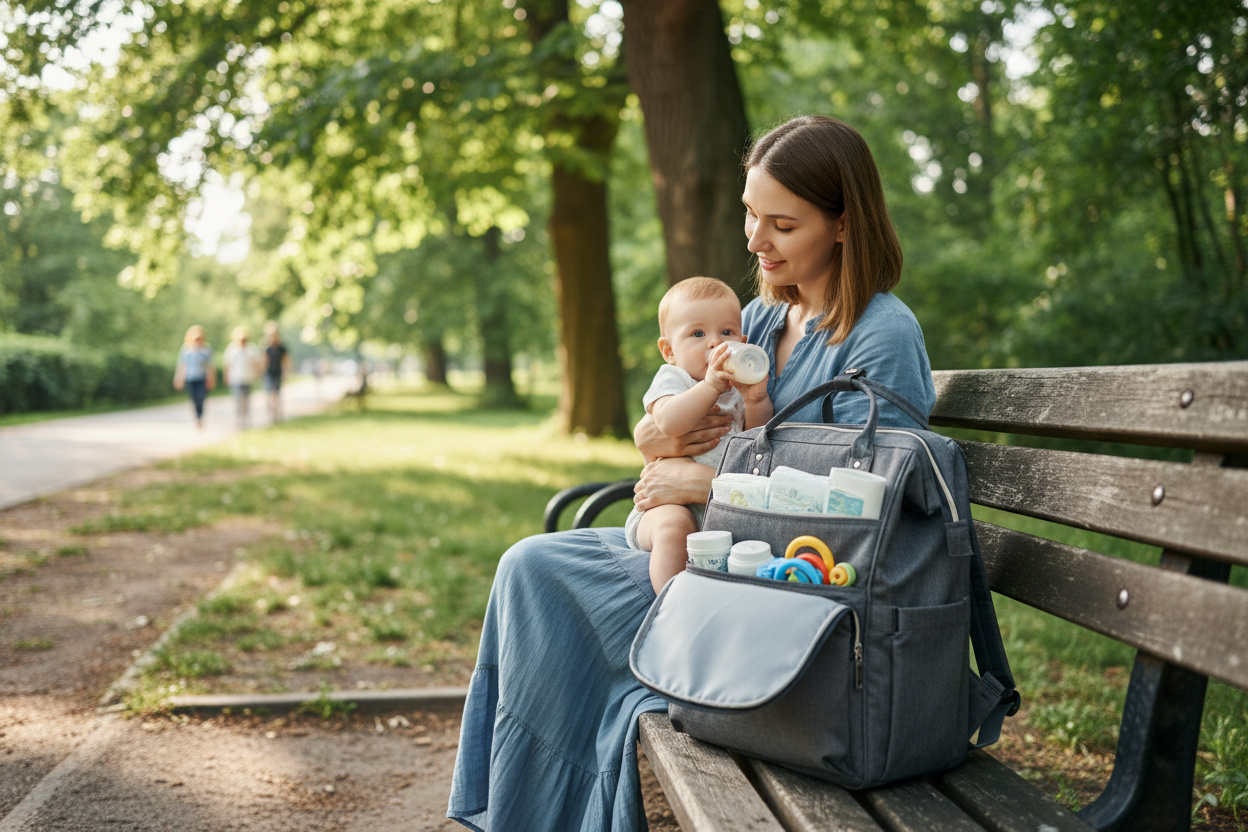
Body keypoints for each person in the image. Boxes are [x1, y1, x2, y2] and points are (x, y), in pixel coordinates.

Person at [447, 115, 937, 831]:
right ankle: (523, 814)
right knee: (528, 567)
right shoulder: (766, 321)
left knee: (550, 598)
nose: (754, 240)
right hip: (714, 548)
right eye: (749, 214)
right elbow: (673, 418)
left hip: (794, 585)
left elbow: (880, 507)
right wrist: (658, 437)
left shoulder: (882, 336)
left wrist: (705, 487)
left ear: (842, 225)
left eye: (781, 224)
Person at [625, 276, 773, 593]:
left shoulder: (737, 391)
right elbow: (668, 422)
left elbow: (759, 442)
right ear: (669, 350)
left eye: (727, 333)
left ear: (742, 341)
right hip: (664, 504)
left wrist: (755, 399)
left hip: (717, 508)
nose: (714, 343)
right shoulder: (673, 378)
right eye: (698, 333)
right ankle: (673, 601)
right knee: (674, 528)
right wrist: (710, 386)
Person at [173, 325, 215, 429]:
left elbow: (210, 365)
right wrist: (178, 379)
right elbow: (181, 365)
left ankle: (200, 416)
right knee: (193, 398)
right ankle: (196, 417)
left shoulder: (206, 349)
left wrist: (211, 378)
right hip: (190, 378)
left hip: (202, 377)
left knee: (201, 397)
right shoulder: (186, 349)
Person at [222, 326, 262, 429]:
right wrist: (226, 376)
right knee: (238, 400)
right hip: (236, 378)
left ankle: (246, 419)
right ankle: (239, 419)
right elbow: (227, 364)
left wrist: (258, 373)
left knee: (246, 400)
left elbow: (256, 363)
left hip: (248, 378)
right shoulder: (231, 349)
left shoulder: (251, 348)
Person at [261, 321, 292, 424]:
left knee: (276, 394)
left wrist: (286, 371)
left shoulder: (281, 347)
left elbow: (286, 360)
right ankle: (271, 412)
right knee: (270, 393)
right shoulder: (266, 347)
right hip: (268, 373)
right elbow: (263, 361)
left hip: (278, 373)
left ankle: (277, 414)